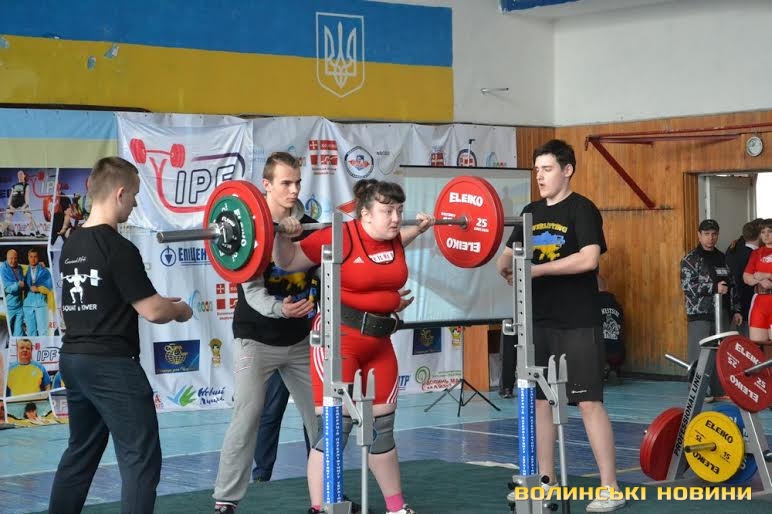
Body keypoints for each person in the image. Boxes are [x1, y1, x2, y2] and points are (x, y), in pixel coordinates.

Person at [273, 178, 435, 514]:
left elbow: (390, 248)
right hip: (338, 341)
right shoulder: (339, 236)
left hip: (380, 343)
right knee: (335, 429)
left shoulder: (393, 238)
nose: (396, 218)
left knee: (383, 430)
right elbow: (287, 262)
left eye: (400, 210)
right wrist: (281, 236)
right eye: (388, 211)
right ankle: (320, 508)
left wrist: (419, 229)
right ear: (365, 214)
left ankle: (396, 507)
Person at [48, 156, 193, 514]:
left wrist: (156, 302)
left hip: (74, 361)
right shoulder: (119, 248)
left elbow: (105, 299)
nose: (135, 204)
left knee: (80, 452)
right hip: (111, 366)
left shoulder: (72, 245)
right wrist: (179, 310)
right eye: (135, 196)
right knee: (141, 458)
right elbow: (153, 311)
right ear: (120, 193)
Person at [495, 139, 625, 512]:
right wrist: (507, 267)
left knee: (587, 402)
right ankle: (545, 483)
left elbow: (588, 259)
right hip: (538, 321)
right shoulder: (530, 212)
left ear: (567, 170)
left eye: (547, 169)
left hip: (578, 322)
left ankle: (610, 488)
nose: (540, 176)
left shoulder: (582, 209)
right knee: (539, 403)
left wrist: (536, 270)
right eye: (537, 170)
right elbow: (506, 257)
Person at [212, 152, 321, 514]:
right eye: (285, 183)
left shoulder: (312, 227)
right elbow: (253, 291)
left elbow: (325, 277)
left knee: (324, 418)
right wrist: (281, 308)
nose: (294, 190)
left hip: (300, 340)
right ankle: (226, 500)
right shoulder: (247, 229)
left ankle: (327, 496)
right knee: (247, 415)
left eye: (297, 182)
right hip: (256, 340)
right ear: (267, 185)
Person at [680, 218, 742, 402]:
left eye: (714, 234)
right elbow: (688, 287)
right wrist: (714, 288)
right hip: (700, 313)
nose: (710, 238)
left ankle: (718, 390)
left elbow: (733, 285)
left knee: (720, 353)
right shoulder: (690, 259)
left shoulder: (723, 258)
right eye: (706, 234)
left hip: (722, 313)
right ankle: (697, 392)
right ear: (699, 236)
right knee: (699, 354)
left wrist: (736, 310)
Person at [252, 370, 311, 482]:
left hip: (305, 361)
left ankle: (318, 470)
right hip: (277, 364)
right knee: (270, 414)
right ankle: (261, 474)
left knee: (312, 416)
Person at [726, 220, 762, 337]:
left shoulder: (732, 250)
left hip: (733, 307)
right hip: (750, 306)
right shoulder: (755, 255)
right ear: (760, 235)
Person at [743, 218, 772, 361]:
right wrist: (759, 280)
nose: (766, 235)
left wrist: (767, 275)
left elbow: (761, 275)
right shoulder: (756, 253)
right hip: (759, 303)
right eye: (763, 232)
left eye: (770, 231)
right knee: (757, 348)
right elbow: (746, 277)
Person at [597, 274, 625, 380]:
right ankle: (613, 367)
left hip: (600, 353)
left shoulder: (592, 304)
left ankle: (604, 368)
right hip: (619, 353)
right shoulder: (617, 305)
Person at [1, 170, 43, 238]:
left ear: (24, 175)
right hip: (13, 203)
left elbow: (27, 194)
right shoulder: (13, 186)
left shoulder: (26, 185)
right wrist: (9, 205)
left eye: (21, 174)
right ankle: (0, 232)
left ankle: (37, 232)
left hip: (22, 203)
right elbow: (11, 196)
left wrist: (26, 204)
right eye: (18, 174)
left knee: (30, 217)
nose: (20, 175)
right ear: (17, 176)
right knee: (7, 220)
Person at [23, 248, 53, 336]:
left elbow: (50, 287)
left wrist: (39, 289)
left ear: (38, 258)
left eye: (35, 257)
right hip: (27, 304)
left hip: (41, 304)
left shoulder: (44, 271)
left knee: (43, 331)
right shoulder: (24, 270)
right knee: (30, 332)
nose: (33, 259)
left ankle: (43, 346)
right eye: (31, 257)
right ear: (28, 257)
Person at [1, 249, 27, 335]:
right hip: (8, 307)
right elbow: (7, 288)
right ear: (7, 258)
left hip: (19, 306)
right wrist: (18, 285)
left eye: (15, 258)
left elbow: (23, 283)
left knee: (18, 333)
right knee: (6, 332)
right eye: (11, 258)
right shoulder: (3, 269)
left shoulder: (19, 268)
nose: (13, 260)